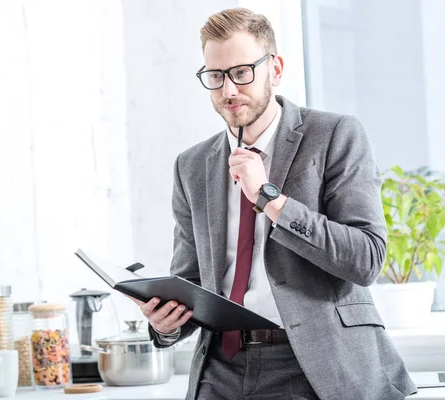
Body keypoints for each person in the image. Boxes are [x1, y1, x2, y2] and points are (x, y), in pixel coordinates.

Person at [128, 7, 417, 400]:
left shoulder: (333, 135)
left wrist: (270, 199)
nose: (229, 90)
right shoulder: (192, 166)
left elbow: (366, 260)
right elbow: (192, 280)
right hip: (221, 369)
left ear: (275, 69)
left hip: (314, 366)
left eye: (242, 72)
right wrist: (167, 324)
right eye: (215, 76)